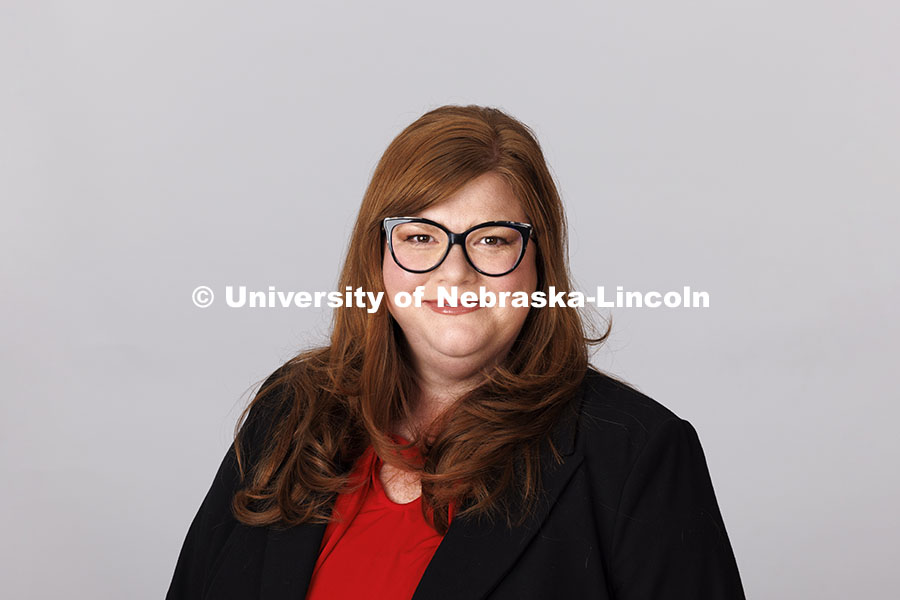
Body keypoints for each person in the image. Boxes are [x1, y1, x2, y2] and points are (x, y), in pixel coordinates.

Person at [165, 105, 746, 599]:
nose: (454, 273)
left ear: (540, 262)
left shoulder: (636, 456)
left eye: (493, 240)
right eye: (421, 237)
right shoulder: (291, 410)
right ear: (378, 259)